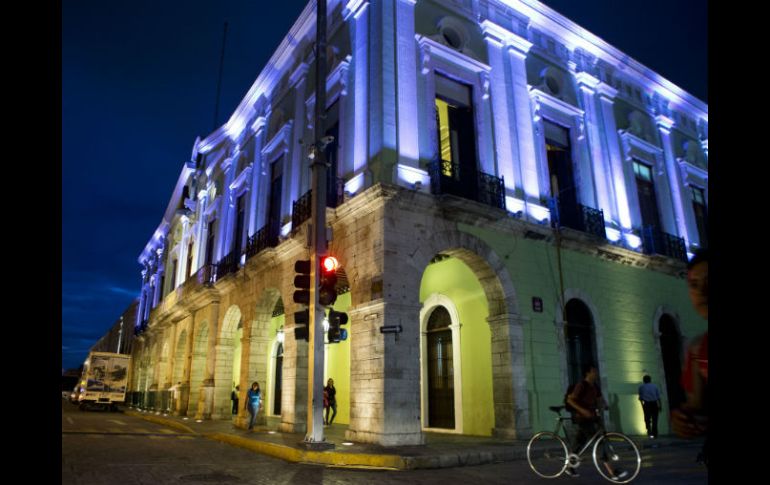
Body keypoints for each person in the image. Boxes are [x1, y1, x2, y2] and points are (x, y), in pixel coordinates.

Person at [670, 249, 708, 466]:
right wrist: (683, 420)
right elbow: (696, 407)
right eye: (694, 285)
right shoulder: (696, 350)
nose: (702, 291)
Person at [565, 365, 627, 481]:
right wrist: (583, 410)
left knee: (579, 443)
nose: (596, 373)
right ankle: (612, 472)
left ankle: (569, 466)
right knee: (600, 442)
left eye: (596, 371)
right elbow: (570, 400)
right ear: (587, 373)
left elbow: (600, 399)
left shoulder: (595, 386)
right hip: (582, 418)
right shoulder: (581, 385)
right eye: (594, 371)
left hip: (593, 417)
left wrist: (605, 404)